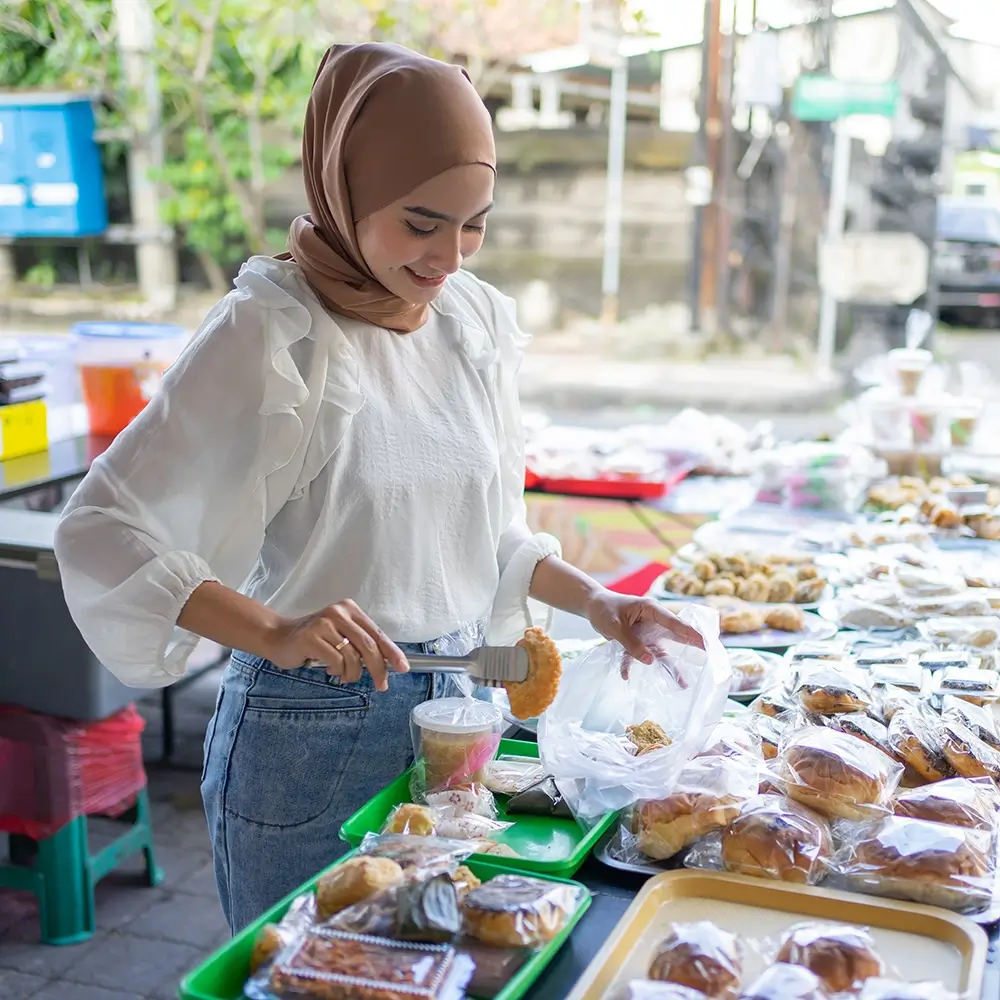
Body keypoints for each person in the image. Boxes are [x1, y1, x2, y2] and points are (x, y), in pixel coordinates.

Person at [54, 42, 702, 933]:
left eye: (475, 222)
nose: (448, 257)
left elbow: (482, 535)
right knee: (318, 975)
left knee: (440, 970)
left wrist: (597, 604)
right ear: (344, 187)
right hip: (310, 733)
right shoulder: (274, 330)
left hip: (459, 714)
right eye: (421, 221)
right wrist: (274, 628)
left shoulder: (469, 319)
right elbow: (99, 528)